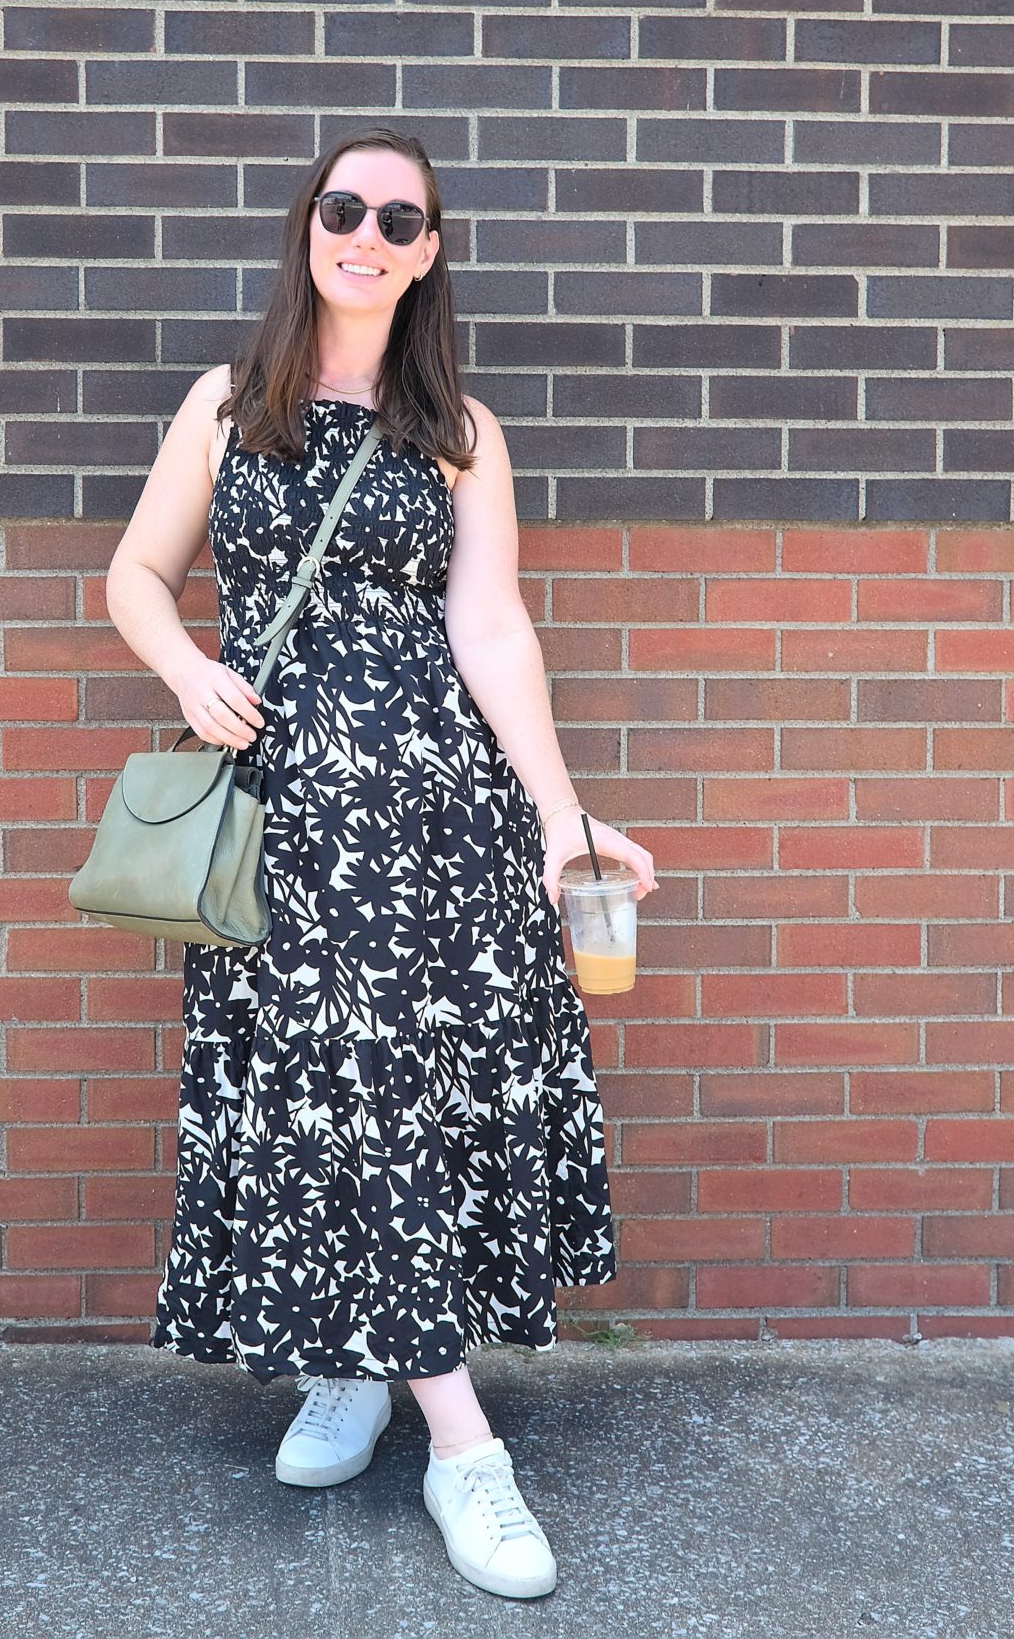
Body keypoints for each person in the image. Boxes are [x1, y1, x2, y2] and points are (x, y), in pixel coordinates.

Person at [104, 126, 657, 1600]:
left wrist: (559, 817)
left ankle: (421, 1417)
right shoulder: (226, 406)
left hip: (442, 822)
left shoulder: (460, 429)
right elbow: (134, 574)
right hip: (284, 817)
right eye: (341, 208)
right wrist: (180, 668)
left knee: (408, 1091)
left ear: (426, 253)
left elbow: (493, 633)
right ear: (308, 228)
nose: (364, 233)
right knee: (322, 1089)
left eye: (396, 218)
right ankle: (415, 1405)